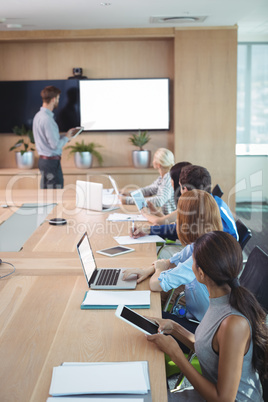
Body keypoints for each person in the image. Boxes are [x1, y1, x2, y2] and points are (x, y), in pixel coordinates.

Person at [145, 231, 267, 401]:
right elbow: (209, 348)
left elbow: (223, 399)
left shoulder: (233, 323)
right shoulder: (220, 299)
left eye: (192, 261)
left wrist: (176, 355)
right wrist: (175, 328)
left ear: (201, 273)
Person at [123, 190, 223, 337]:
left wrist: (158, 270)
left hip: (205, 331)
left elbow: (156, 284)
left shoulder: (201, 255)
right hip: (203, 317)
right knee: (145, 308)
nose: (176, 222)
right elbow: (170, 261)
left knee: (143, 318)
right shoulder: (203, 243)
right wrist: (147, 270)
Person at [132, 165, 238, 256]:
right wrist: (149, 230)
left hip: (216, 259)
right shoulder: (213, 201)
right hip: (226, 254)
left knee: (159, 253)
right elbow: (182, 229)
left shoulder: (201, 212)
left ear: (185, 190)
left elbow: (181, 231)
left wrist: (150, 230)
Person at [33, 85, 76, 189]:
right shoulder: (47, 119)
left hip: (44, 162)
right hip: (51, 163)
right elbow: (55, 145)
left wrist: (65, 135)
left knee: (46, 194)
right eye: (58, 98)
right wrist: (67, 138)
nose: (58, 101)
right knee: (55, 194)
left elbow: (48, 138)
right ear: (53, 99)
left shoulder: (38, 116)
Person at [120, 148, 176, 215]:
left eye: (154, 159)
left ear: (159, 165)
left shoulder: (168, 178)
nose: (152, 161)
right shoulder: (163, 177)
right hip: (164, 217)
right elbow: (149, 190)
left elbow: (159, 200)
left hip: (168, 221)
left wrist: (128, 200)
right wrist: (130, 194)